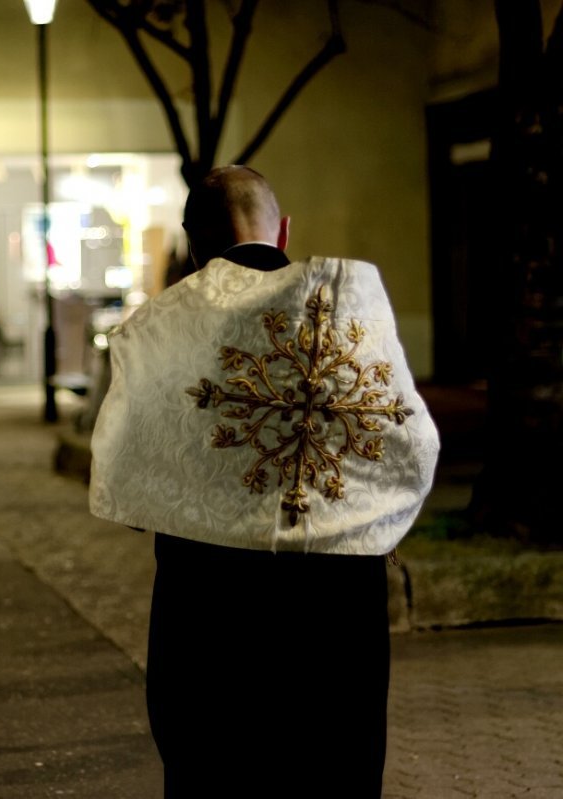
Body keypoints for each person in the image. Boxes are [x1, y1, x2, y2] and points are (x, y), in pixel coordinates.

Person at [89, 166, 440, 797]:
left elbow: (125, 463)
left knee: (215, 763)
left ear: (194, 246)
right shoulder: (347, 311)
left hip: (212, 596)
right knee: (333, 762)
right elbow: (412, 441)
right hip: (336, 595)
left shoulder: (169, 326)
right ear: (283, 230)